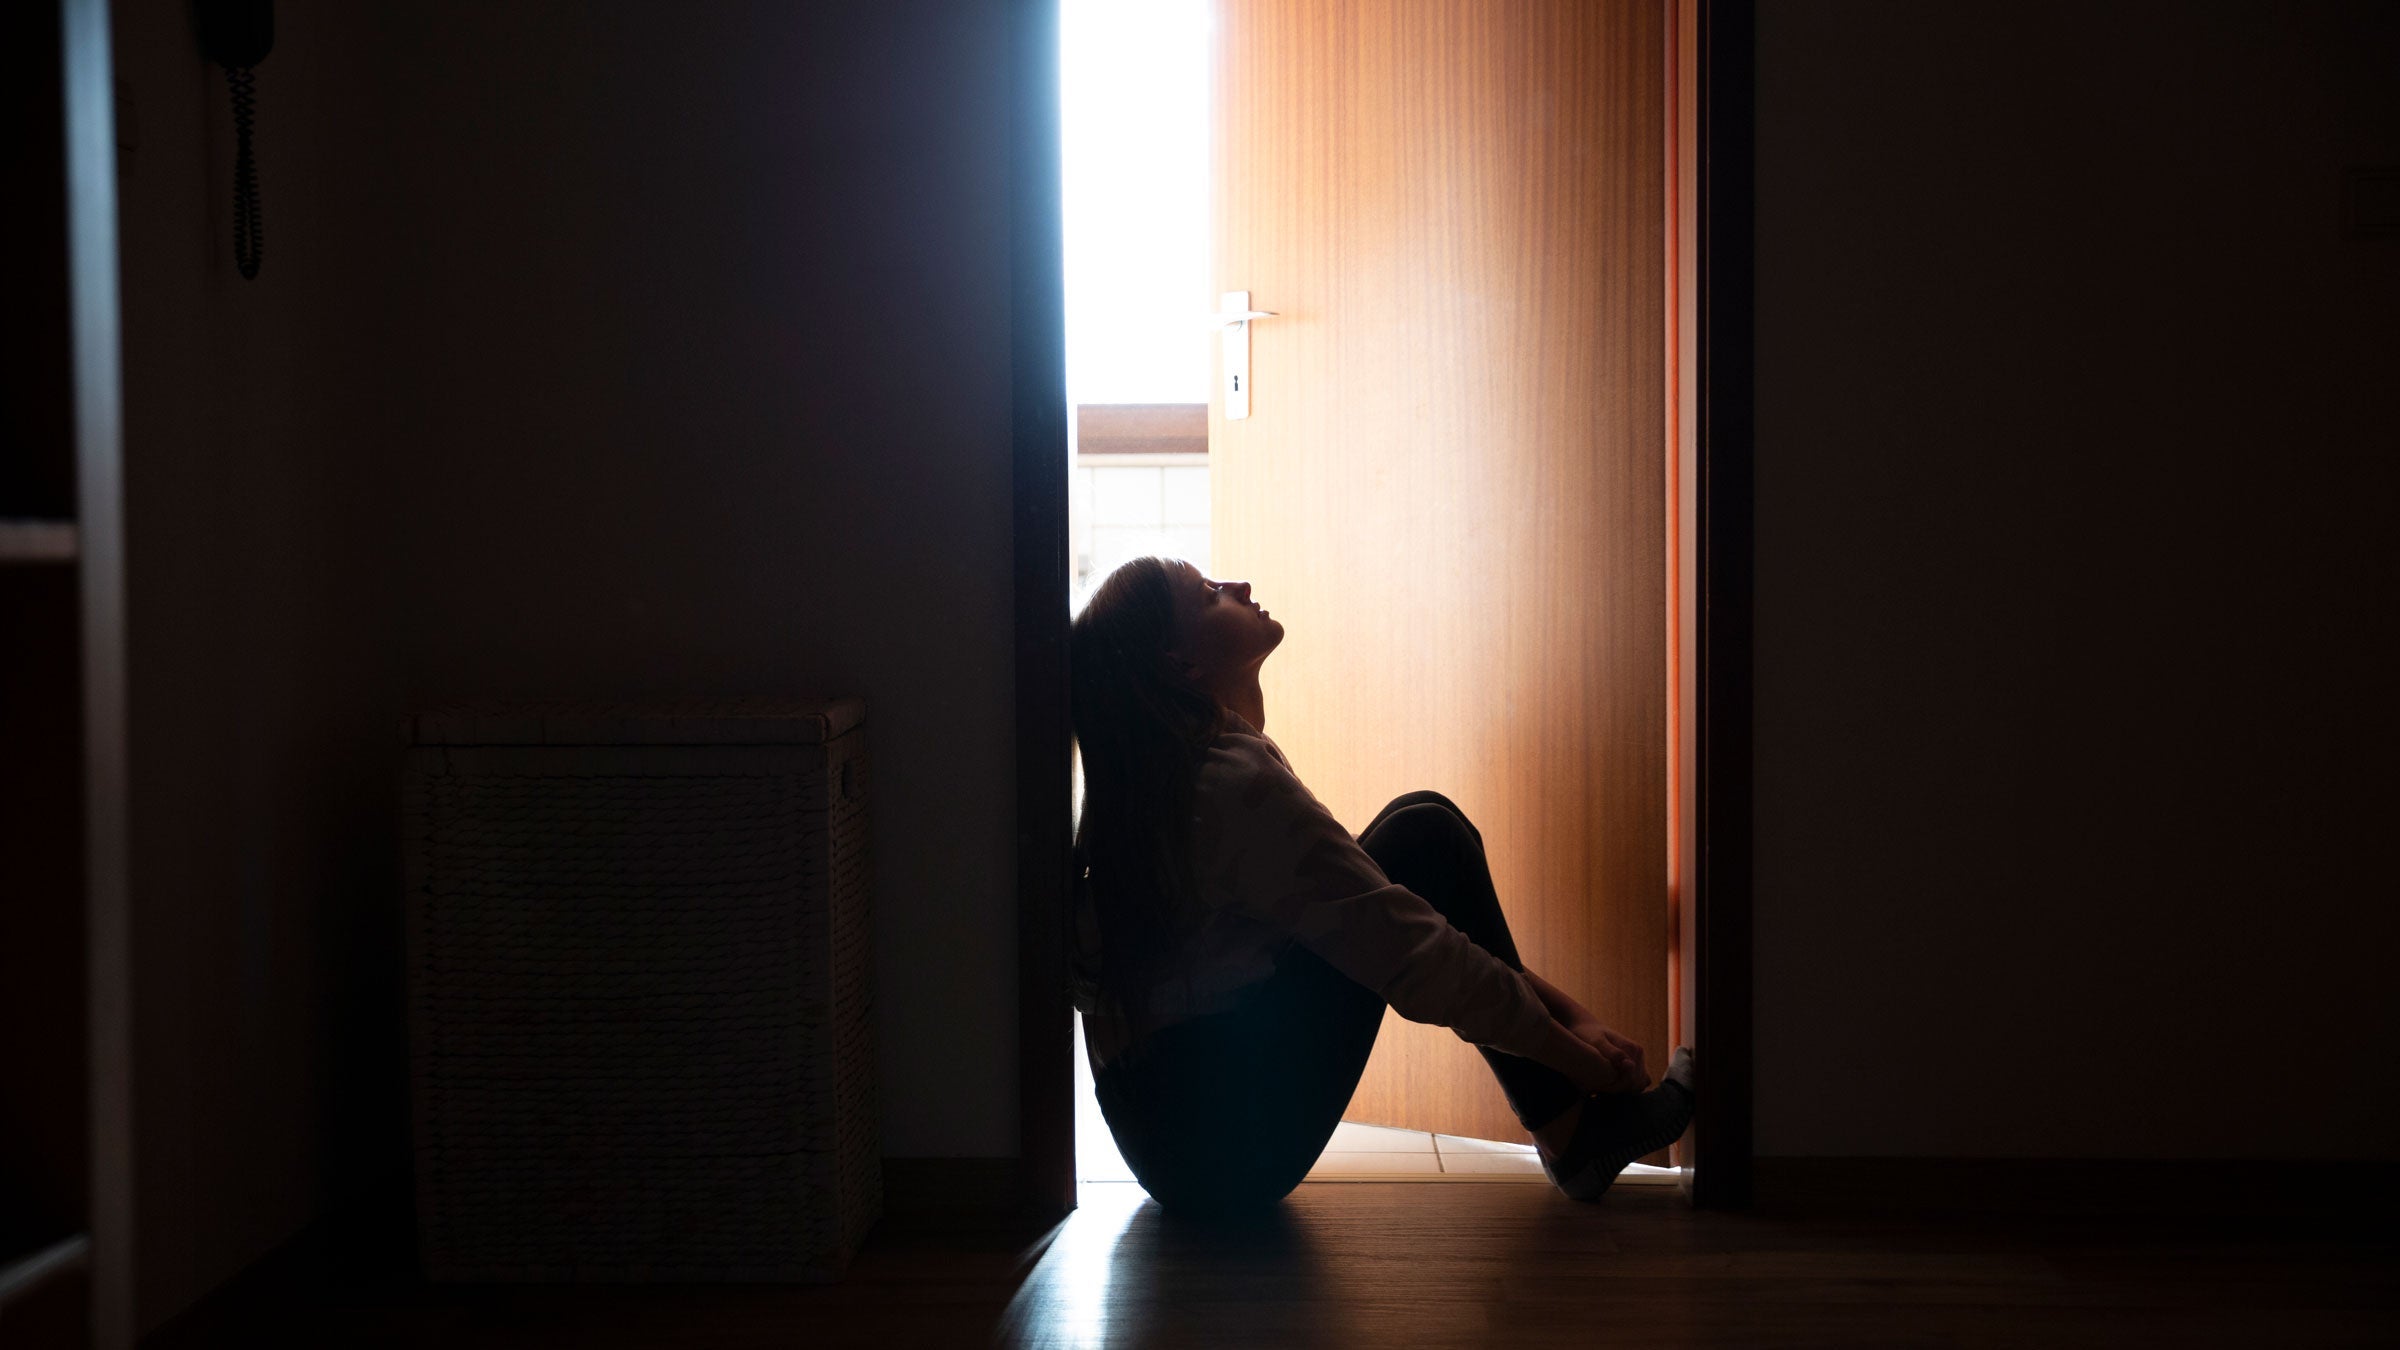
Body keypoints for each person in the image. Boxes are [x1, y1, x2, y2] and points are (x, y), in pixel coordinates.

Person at [1068, 554, 1695, 1216]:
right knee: (1423, 839)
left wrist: (1572, 1018)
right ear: (1182, 666)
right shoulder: (1221, 789)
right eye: (1208, 595)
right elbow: (1410, 952)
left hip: (1174, 1141)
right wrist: (1577, 1058)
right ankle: (1575, 1136)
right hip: (1223, 1155)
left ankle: (1571, 1133)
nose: (1240, 586)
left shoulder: (1172, 781)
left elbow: (1379, 912)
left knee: (1418, 831)